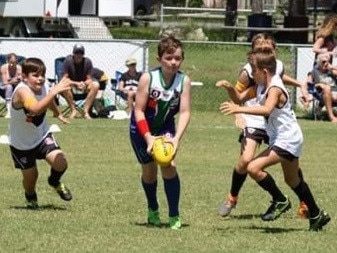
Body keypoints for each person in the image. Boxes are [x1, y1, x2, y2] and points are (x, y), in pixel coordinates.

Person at [218, 48, 330, 231]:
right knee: (292, 180)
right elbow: (238, 97)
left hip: (288, 138)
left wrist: (239, 110)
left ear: (263, 72)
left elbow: (266, 109)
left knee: (253, 167)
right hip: (285, 137)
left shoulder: (275, 88)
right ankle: (317, 215)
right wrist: (230, 88)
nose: (250, 75)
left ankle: (280, 200)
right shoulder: (261, 85)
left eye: (253, 71)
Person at [216, 32, 309, 219]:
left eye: (267, 50)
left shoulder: (277, 66)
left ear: (275, 51)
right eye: (259, 50)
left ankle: (304, 203)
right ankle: (232, 197)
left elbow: (281, 78)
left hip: (273, 120)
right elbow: (238, 96)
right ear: (252, 53)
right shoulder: (247, 71)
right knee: (245, 161)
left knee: (289, 159)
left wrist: (300, 84)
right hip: (254, 118)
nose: (263, 52)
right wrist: (238, 114)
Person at [129, 35, 191, 229]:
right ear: (159, 59)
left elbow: (185, 111)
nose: (173, 62)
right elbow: (138, 110)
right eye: (168, 58)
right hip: (141, 130)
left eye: (178, 58)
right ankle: (153, 209)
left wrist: (177, 139)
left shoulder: (184, 80)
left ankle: (174, 215)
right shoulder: (148, 78)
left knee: (168, 164)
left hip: (165, 129)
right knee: (149, 172)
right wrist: (148, 138)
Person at [8, 57, 74, 209]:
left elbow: (48, 100)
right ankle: (30, 196)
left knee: (60, 163)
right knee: (31, 178)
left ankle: (54, 181)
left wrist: (57, 113)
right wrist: (54, 92)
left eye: (42, 75)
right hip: (21, 144)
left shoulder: (42, 87)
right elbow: (35, 109)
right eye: (35, 75)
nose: (40, 79)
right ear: (24, 77)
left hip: (41, 136)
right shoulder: (22, 91)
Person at [61, 44, 99, 119]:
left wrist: (84, 83)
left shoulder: (87, 62)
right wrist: (76, 83)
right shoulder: (68, 61)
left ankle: (86, 112)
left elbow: (89, 79)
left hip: (83, 87)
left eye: (81, 53)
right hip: (71, 86)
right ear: (73, 53)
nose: (78, 55)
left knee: (96, 85)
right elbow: (64, 78)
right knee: (64, 85)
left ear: (83, 54)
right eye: (76, 53)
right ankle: (73, 111)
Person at [304, 52, 337, 123]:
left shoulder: (331, 71)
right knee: (327, 88)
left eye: (327, 62)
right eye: (324, 62)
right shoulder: (314, 72)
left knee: (330, 90)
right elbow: (309, 85)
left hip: (335, 91)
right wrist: (318, 84)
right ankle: (331, 117)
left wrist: (333, 67)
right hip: (321, 93)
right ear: (318, 62)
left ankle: (320, 108)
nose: (326, 64)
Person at [0, 53, 22, 118]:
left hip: (15, 87)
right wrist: (13, 81)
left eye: (14, 62)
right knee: (9, 87)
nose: (12, 64)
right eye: (11, 62)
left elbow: (20, 80)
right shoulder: (3, 68)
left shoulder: (19, 68)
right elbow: (5, 82)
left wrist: (16, 80)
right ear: (7, 61)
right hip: (3, 88)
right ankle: (9, 112)